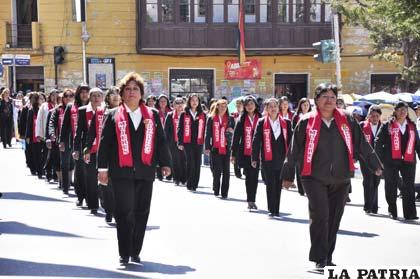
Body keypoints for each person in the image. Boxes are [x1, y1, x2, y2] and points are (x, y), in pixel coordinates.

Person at [281, 83, 382, 270]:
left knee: (334, 217)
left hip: (341, 178)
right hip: (313, 177)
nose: (329, 101)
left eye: (333, 97)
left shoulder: (347, 120)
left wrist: (375, 164)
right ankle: (319, 257)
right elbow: (294, 150)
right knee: (321, 215)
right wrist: (287, 174)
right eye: (325, 97)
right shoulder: (306, 121)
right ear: (316, 100)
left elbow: (362, 144)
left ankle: (327, 255)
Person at [97, 72, 171, 265]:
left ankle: (135, 250)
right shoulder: (112, 115)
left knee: (141, 211)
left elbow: (161, 142)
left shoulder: (152, 115)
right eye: (128, 89)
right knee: (124, 211)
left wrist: (165, 163)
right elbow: (104, 144)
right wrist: (102, 169)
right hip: (121, 172)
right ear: (122, 93)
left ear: (141, 93)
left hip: (146, 172)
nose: (131, 92)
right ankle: (124, 252)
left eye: (135, 89)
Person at [375, 101, 420, 220]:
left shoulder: (412, 126)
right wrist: (379, 161)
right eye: (400, 109)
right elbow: (378, 143)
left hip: (409, 160)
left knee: (409, 186)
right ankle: (392, 210)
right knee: (391, 184)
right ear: (395, 111)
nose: (403, 111)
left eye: (405, 109)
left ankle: (410, 213)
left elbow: (418, 144)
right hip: (391, 160)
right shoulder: (387, 125)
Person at [85, 86, 121, 222]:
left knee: (117, 184)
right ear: (108, 97)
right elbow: (92, 132)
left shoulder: (125, 112)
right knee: (105, 184)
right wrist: (87, 148)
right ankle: (108, 208)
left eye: (118, 94)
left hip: (121, 153)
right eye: (113, 94)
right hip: (104, 152)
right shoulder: (101, 111)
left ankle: (117, 211)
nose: (116, 96)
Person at [252, 98, 292, 217]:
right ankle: (271, 208)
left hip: (281, 159)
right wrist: (254, 158)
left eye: (275, 106)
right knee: (270, 184)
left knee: (278, 185)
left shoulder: (286, 123)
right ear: (267, 109)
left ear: (278, 107)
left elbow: (291, 141)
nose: (273, 108)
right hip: (267, 159)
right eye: (270, 106)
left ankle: (276, 209)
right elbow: (256, 141)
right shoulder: (261, 122)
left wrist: (291, 159)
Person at [74, 88, 105, 214]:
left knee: (104, 176)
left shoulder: (106, 111)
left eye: (99, 96)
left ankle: (105, 201)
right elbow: (79, 132)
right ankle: (93, 205)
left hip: (103, 149)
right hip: (88, 149)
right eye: (93, 96)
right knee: (91, 177)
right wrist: (76, 149)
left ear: (102, 98)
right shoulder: (82, 111)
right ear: (89, 98)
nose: (96, 98)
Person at [232, 96, 261, 210]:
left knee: (255, 177)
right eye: (247, 104)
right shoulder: (242, 119)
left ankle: (253, 199)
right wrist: (233, 154)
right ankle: (250, 200)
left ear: (255, 105)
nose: (250, 106)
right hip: (245, 152)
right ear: (244, 106)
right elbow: (236, 137)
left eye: (252, 104)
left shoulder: (261, 118)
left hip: (257, 153)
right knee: (249, 177)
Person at [61, 84, 90, 200]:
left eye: (86, 92)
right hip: (76, 142)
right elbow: (64, 125)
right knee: (79, 170)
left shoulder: (93, 106)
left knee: (89, 171)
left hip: (90, 142)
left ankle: (90, 196)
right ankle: (80, 196)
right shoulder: (70, 106)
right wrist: (61, 140)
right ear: (78, 93)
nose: (84, 94)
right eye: (82, 92)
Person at [205, 99, 235, 198]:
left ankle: (225, 192)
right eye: (221, 106)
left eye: (225, 106)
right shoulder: (212, 118)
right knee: (216, 170)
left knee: (226, 171)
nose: (223, 108)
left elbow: (235, 133)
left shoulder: (230, 118)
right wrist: (207, 147)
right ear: (217, 107)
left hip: (227, 147)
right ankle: (216, 188)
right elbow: (208, 133)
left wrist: (231, 130)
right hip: (215, 147)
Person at [177, 94, 207, 191]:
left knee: (197, 163)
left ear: (199, 102)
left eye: (196, 100)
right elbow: (180, 129)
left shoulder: (202, 114)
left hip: (198, 142)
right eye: (192, 100)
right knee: (190, 162)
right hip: (187, 142)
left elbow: (206, 130)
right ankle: (189, 184)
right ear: (189, 102)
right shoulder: (184, 114)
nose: (194, 102)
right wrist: (180, 142)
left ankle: (195, 184)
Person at [49, 89, 75, 192]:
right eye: (66, 96)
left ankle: (70, 181)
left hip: (75, 139)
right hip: (63, 139)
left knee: (73, 163)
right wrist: (51, 134)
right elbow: (52, 123)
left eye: (70, 96)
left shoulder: (76, 108)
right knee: (64, 163)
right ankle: (65, 186)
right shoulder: (58, 110)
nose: (68, 98)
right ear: (62, 98)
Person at [359, 105, 382, 214]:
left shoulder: (384, 126)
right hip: (365, 159)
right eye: (372, 116)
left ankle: (374, 206)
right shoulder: (362, 125)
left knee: (376, 182)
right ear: (368, 116)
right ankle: (368, 206)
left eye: (377, 116)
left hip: (378, 159)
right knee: (368, 181)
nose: (375, 118)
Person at [36, 89, 59, 182]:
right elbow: (39, 120)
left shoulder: (58, 106)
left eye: (56, 95)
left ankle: (55, 174)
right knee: (47, 155)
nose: (55, 97)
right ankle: (47, 173)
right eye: (53, 95)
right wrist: (39, 134)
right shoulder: (44, 106)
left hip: (56, 135)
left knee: (55, 156)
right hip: (46, 135)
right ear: (49, 96)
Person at [291, 97, 312, 196]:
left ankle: (308, 187)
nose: (305, 107)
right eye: (304, 105)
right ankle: (301, 189)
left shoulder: (312, 116)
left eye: (307, 105)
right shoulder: (296, 117)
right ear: (300, 106)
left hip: (310, 144)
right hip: (299, 144)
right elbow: (293, 130)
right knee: (299, 167)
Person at [164, 97, 187, 186]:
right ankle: (176, 178)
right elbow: (166, 130)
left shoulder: (186, 114)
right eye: (177, 103)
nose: (179, 104)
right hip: (173, 142)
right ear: (174, 105)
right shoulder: (170, 115)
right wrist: (166, 143)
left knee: (184, 160)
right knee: (175, 161)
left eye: (181, 102)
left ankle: (184, 178)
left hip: (185, 142)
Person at [25, 92, 44, 178]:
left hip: (43, 135)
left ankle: (42, 170)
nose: (42, 100)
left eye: (43, 98)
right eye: (40, 98)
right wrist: (27, 136)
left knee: (43, 154)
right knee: (36, 154)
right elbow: (29, 124)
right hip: (34, 136)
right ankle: (38, 171)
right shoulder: (31, 110)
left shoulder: (44, 109)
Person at [155, 94, 172, 181]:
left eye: (164, 101)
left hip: (169, 137)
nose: (163, 103)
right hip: (158, 136)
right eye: (161, 101)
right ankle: (159, 174)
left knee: (168, 154)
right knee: (158, 154)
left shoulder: (170, 111)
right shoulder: (155, 112)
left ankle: (169, 174)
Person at [232, 98, 244, 179]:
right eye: (237, 104)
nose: (239, 106)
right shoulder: (233, 115)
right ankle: (237, 171)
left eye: (240, 104)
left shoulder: (245, 115)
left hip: (244, 137)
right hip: (234, 137)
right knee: (235, 154)